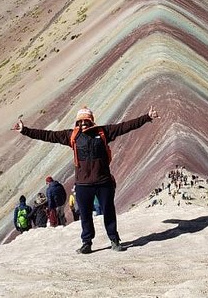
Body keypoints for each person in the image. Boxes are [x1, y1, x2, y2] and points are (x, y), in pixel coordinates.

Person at [12, 105, 159, 254]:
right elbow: (48, 135)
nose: (83, 124)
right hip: (83, 185)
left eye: (85, 121)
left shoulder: (103, 132)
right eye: (80, 121)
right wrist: (25, 130)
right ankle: (87, 243)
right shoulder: (72, 136)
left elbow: (124, 127)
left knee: (109, 212)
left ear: (91, 120)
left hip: (103, 182)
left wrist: (147, 117)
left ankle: (114, 240)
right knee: (85, 215)